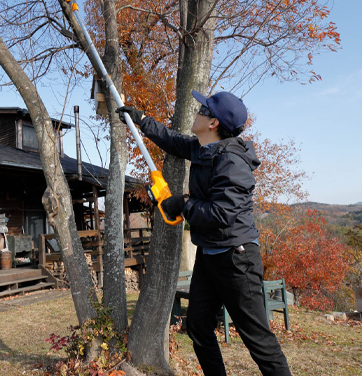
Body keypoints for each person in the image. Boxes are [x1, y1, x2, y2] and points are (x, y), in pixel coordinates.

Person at [116, 91, 292, 376]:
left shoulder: (232, 162)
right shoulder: (204, 148)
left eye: (202, 109)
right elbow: (174, 141)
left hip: (237, 259)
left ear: (213, 123)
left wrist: (184, 204)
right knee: (198, 326)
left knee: (258, 340)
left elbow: (222, 214)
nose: (196, 112)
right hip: (210, 255)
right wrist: (140, 120)